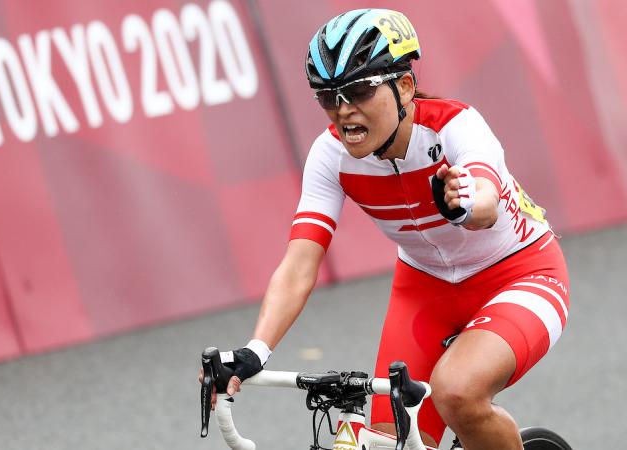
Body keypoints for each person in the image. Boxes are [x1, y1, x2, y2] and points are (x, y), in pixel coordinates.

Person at [204, 8, 570, 450]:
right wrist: (256, 350)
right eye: (327, 97)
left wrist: (462, 204)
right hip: (424, 289)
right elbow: (301, 262)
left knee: (457, 391)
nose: (343, 112)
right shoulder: (329, 155)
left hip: (519, 274)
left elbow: (486, 206)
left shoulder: (456, 126)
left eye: (358, 91)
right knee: (386, 442)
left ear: (405, 87)